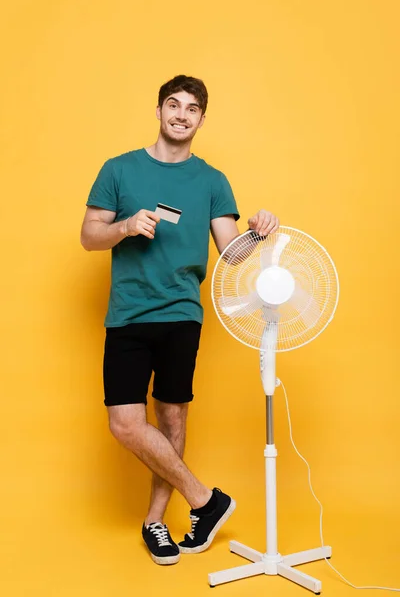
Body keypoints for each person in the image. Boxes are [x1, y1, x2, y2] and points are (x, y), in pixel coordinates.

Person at [80, 75, 280, 566]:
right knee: (126, 423)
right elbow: (88, 236)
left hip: (181, 314)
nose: (182, 115)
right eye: (174, 105)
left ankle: (156, 523)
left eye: (192, 109)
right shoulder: (119, 170)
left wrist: (258, 232)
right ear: (159, 110)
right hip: (127, 314)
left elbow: (231, 253)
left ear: (201, 120)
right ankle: (205, 500)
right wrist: (124, 226)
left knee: (172, 418)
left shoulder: (211, 180)